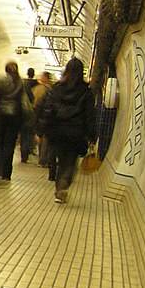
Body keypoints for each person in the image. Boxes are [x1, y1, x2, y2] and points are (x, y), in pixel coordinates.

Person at [35, 58, 97, 203]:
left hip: (57, 132)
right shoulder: (86, 92)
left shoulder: (56, 89)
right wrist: (92, 135)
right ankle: (64, 183)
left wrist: (40, 130)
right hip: (76, 133)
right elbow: (90, 115)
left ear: (66, 71)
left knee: (60, 160)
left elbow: (48, 110)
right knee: (70, 162)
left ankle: (59, 187)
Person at [0, 61, 25, 182]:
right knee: (9, 145)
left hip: (1, 115)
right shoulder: (20, 81)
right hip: (15, 115)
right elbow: (22, 99)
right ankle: (7, 174)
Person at [32, 71, 54, 171]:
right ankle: (44, 160)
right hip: (47, 117)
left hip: (40, 115)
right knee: (45, 139)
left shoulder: (39, 89)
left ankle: (41, 159)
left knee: (42, 137)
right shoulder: (51, 89)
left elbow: (37, 103)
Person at [19, 67, 38, 162]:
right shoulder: (37, 85)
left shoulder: (21, 83)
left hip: (21, 113)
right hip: (32, 113)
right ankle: (29, 151)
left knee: (23, 135)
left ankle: (23, 155)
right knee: (29, 134)